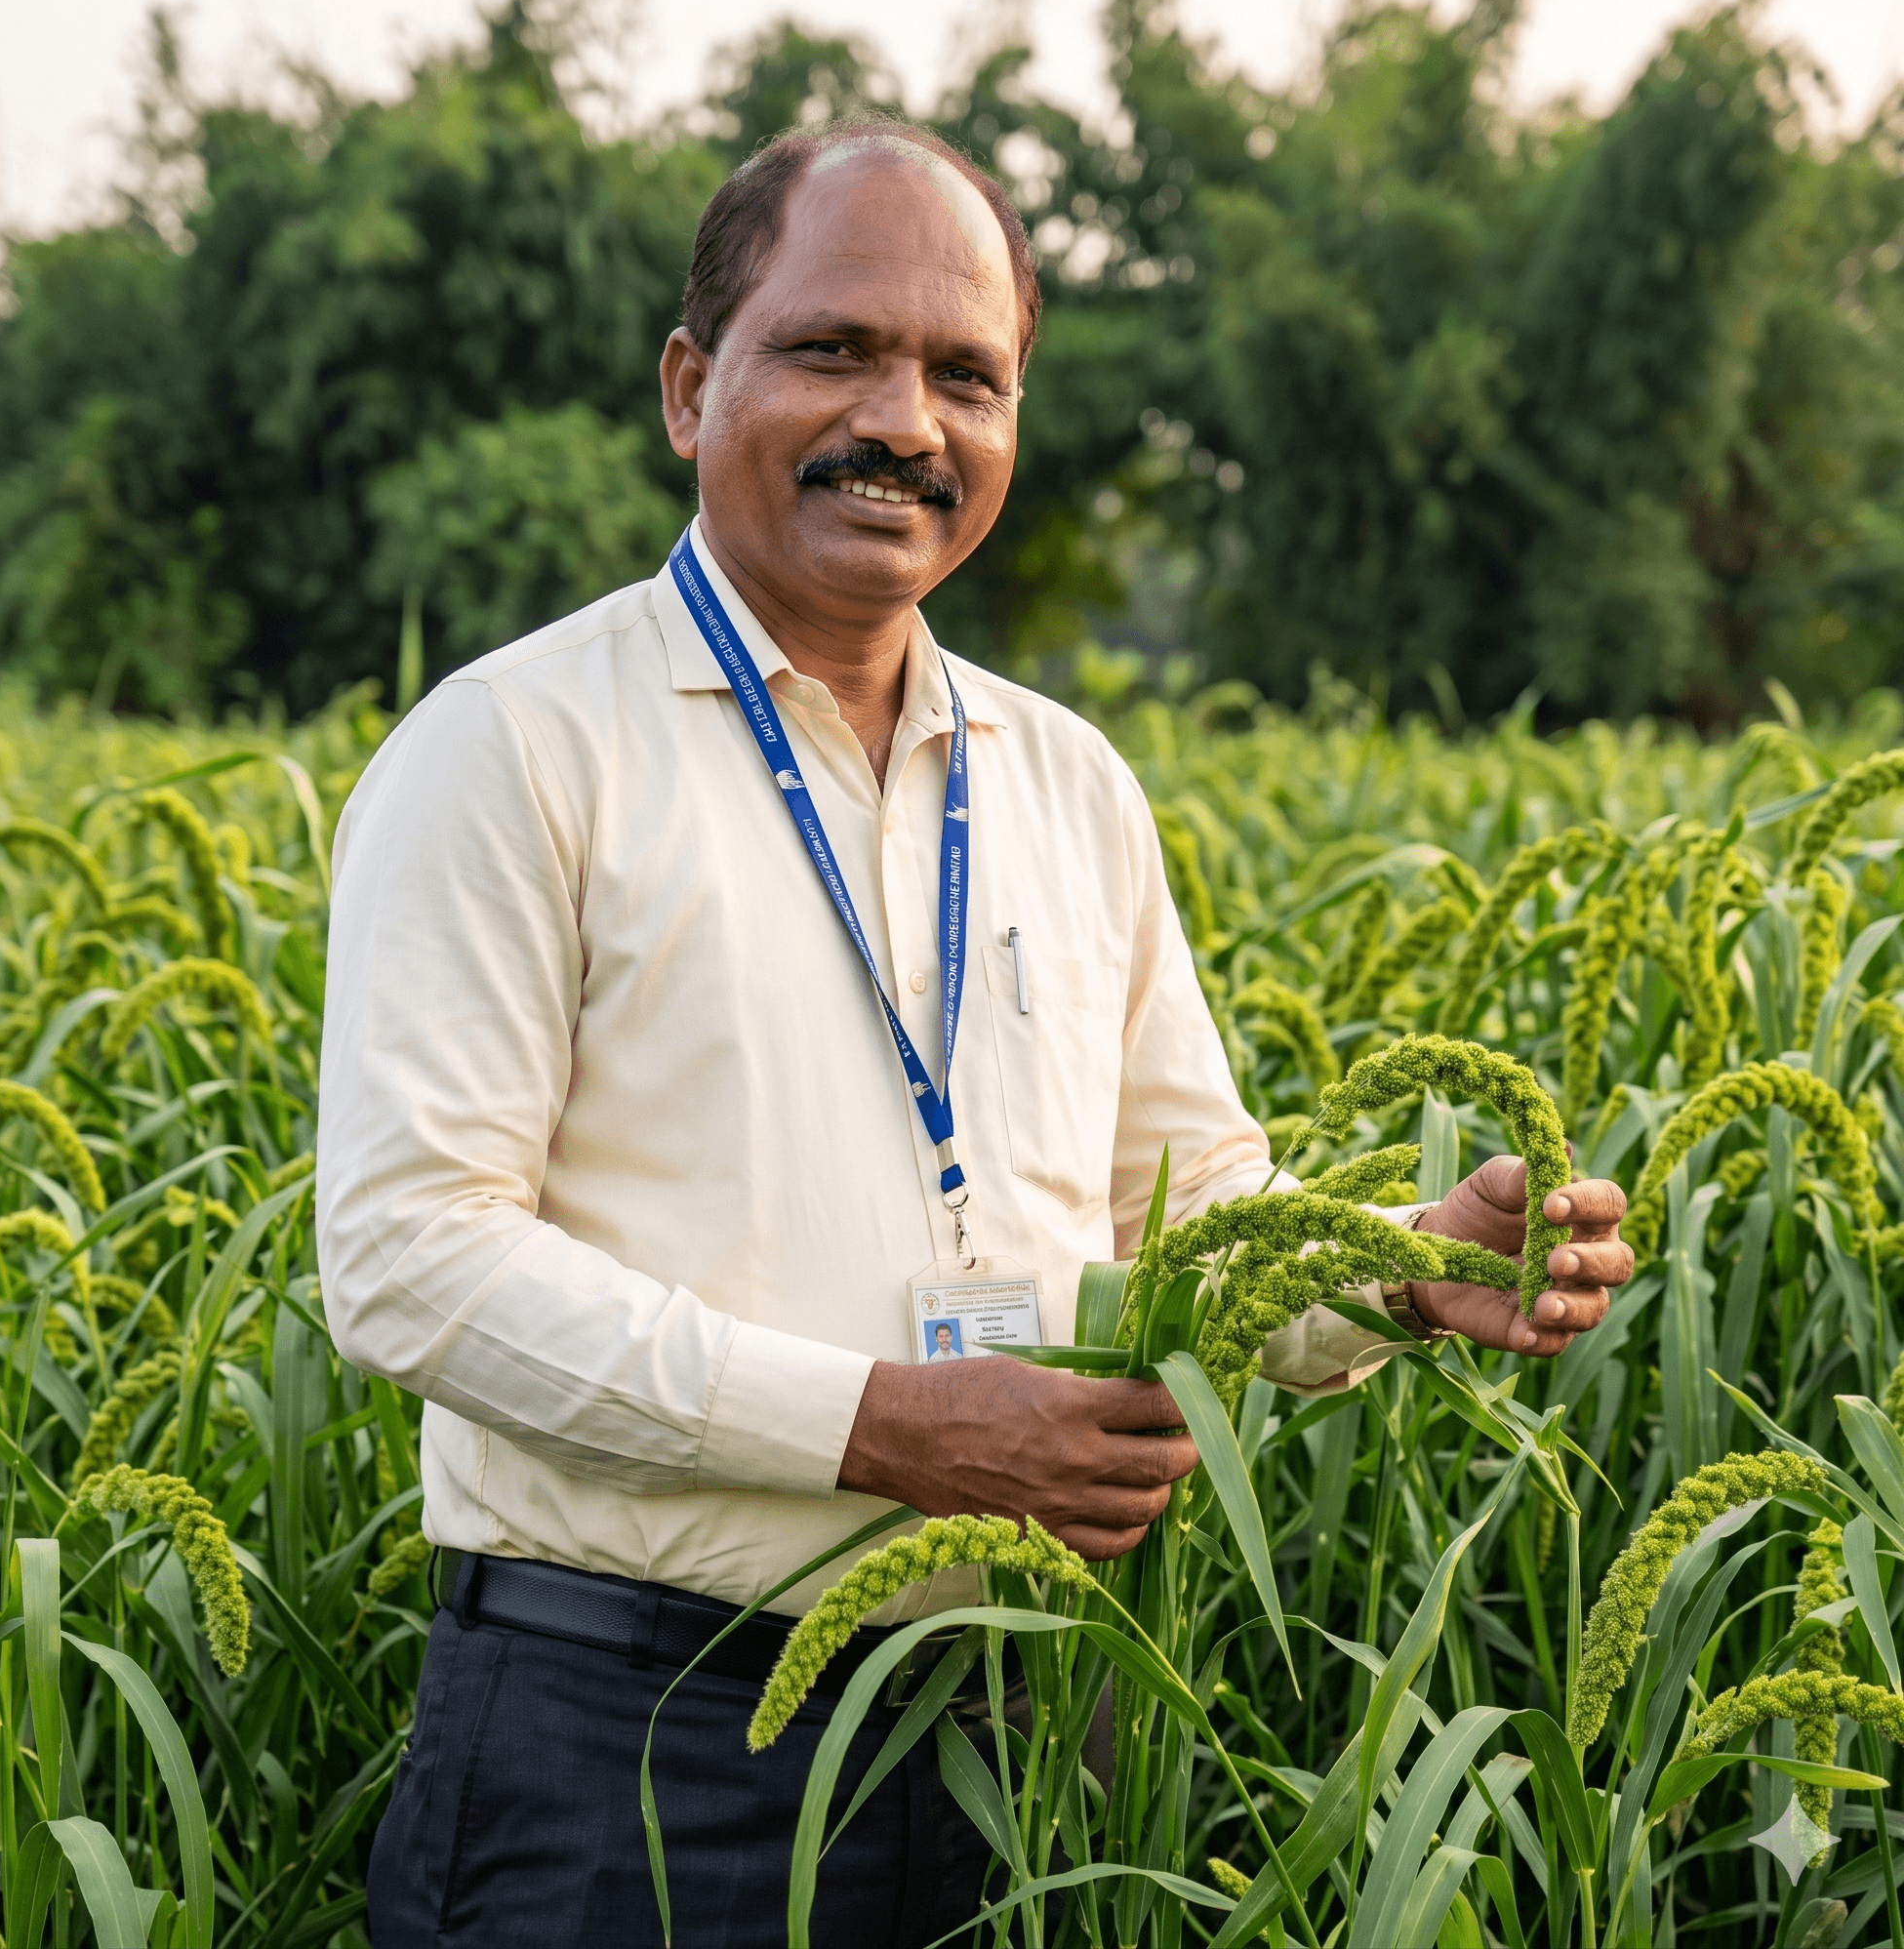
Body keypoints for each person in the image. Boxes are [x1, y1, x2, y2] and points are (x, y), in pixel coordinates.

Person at [316, 117, 1634, 1949]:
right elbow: (409, 1263)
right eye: (835, 349)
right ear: (693, 388)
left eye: (966, 373)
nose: (905, 422)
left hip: (1029, 1736)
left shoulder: (1069, 785)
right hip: (634, 1757)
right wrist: (884, 1429)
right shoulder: (519, 750)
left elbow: (1186, 1226)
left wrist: (1403, 1270)